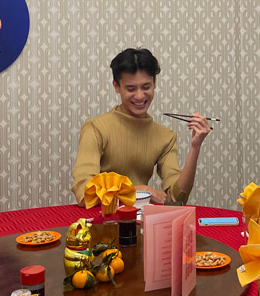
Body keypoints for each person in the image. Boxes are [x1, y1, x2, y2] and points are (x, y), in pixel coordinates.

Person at [71, 48, 211, 206]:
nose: (139, 96)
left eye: (146, 87)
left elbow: (176, 199)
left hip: (142, 218)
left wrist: (195, 147)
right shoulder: (95, 128)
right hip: (103, 218)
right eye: (131, 89)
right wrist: (139, 190)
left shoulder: (165, 136)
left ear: (155, 83)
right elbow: (85, 194)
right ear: (116, 86)